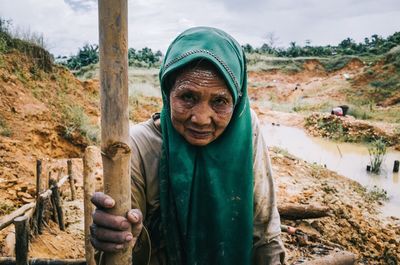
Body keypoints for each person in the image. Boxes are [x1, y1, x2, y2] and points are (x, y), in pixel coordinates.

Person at [90, 27, 285, 265]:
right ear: (167, 92)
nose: (201, 118)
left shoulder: (245, 130)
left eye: (220, 101)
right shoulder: (136, 146)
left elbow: (264, 227)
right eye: (188, 97)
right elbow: (122, 247)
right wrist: (122, 235)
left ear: (237, 100)